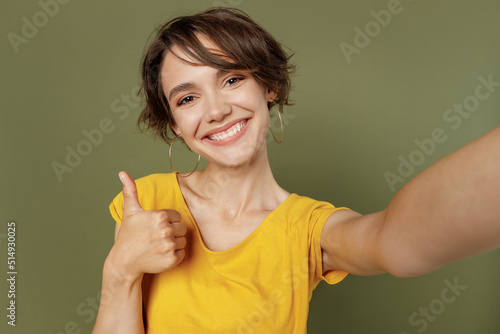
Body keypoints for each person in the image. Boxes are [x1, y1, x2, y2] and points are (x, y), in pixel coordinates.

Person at [92, 7, 500, 334]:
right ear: (175, 126)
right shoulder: (145, 205)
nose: (216, 110)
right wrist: (121, 270)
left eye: (232, 79)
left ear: (268, 86)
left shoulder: (307, 228)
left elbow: (392, 241)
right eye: (187, 99)